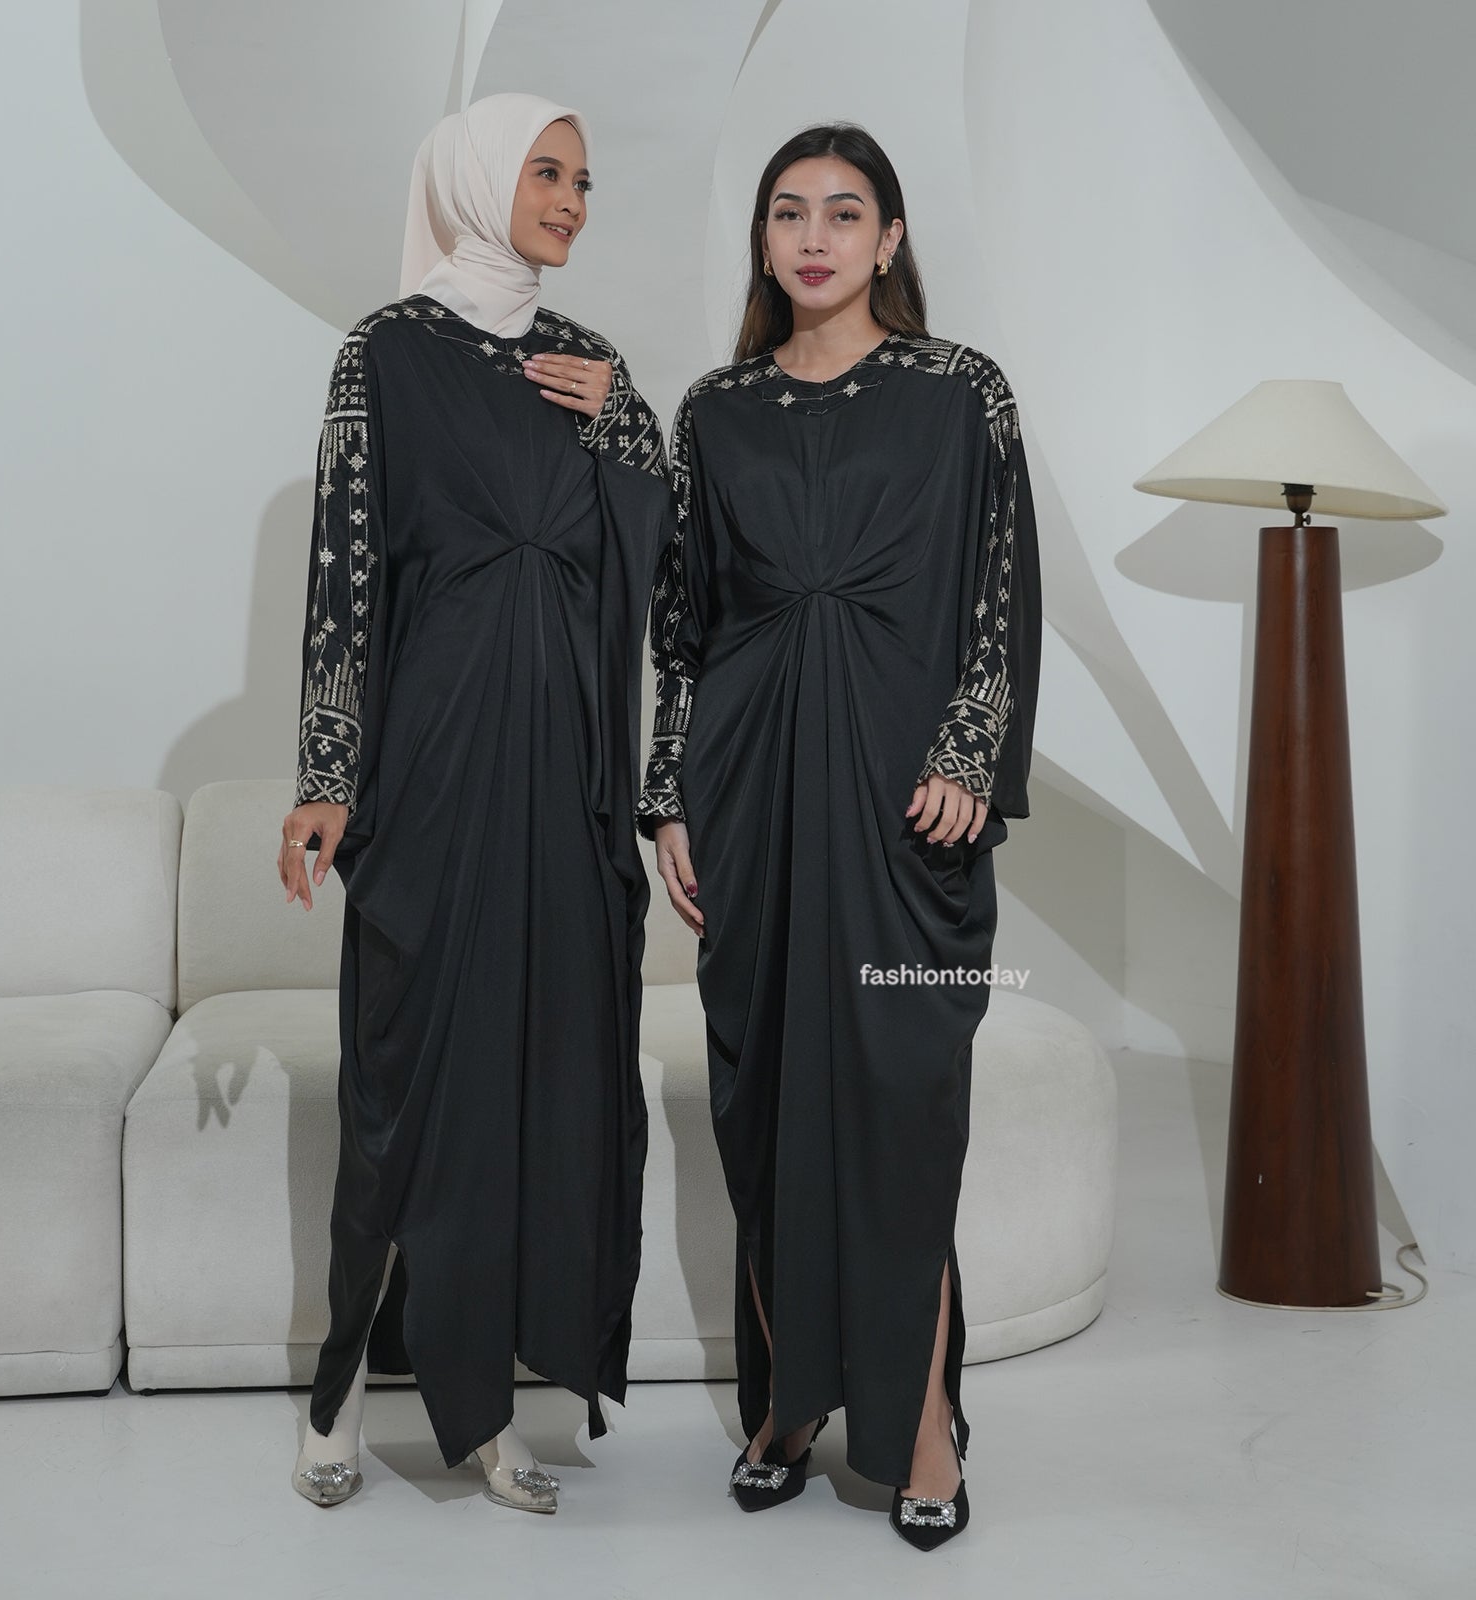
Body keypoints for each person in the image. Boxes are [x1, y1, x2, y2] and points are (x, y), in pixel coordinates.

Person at [636, 122, 1041, 1551]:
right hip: (751, 797)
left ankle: (921, 1421)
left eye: (844, 212)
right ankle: (788, 1403)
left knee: (900, 1109)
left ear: (890, 236)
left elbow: (999, 586)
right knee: (762, 1111)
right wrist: (669, 795)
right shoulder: (716, 411)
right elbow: (679, 626)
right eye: (789, 213)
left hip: (900, 804)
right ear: (763, 239)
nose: (814, 237)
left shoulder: (959, 392)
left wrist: (971, 748)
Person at [277, 92, 670, 1514]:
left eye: (585, 179)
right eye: (547, 172)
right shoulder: (385, 353)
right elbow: (345, 570)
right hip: (435, 770)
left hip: (564, 780)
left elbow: (670, 562)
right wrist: (328, 776)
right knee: (408, 1091)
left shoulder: (589, 365)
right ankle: (338, 1394)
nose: (572, 200)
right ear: (477, 179)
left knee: (537, 1087)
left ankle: (491, 1414)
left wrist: (631, 427)